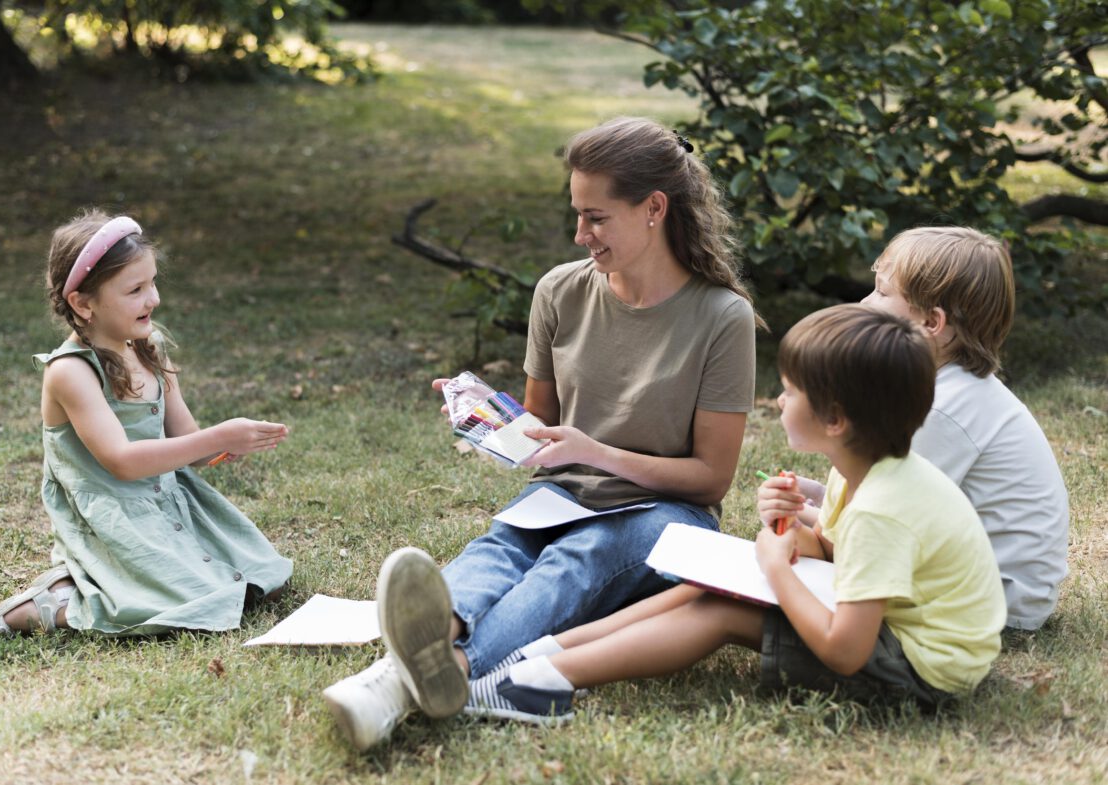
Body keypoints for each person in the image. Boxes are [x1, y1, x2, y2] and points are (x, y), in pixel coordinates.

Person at [323, 116, 761, 750]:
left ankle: (431, 676)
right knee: (496, 552)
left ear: (654, 209)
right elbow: (541, 436)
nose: (580, 234)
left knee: (575, 559)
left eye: (596, 218)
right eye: (577, 215)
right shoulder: (559, 291)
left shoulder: (722, 316)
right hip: (560, 498)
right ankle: (408, 667)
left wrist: (597, 453)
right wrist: (489, 418)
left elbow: (710, 480)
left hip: (665, 517)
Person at [420, 304, 1007, 723]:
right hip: (897, 627)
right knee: (709, 582)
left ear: (835, 420)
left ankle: (535, 684)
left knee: (722, 611)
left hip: (922, 671)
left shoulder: (883, 508)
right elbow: (839, 553)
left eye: (790, 391)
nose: (779, 400)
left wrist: (776, 567)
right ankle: (537, 656)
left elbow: (845, 650)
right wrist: (800, 533)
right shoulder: (864, 470)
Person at [0, 209, 293, 636]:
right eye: (136, 289)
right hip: (115, 515)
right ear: (83, 304)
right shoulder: (71, 371)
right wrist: (217, 435)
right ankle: (51, 604)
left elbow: (188, 443)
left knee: (263, 580)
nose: (154, 299)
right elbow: (123, 462)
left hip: (169, 500)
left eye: (153, 283)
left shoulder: (149, 345)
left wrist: (224, 447)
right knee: (199, 605)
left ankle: (100, 582)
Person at [765, 227, 1069, 631]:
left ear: (930, 322)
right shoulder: (943, 389)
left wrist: (802, 517)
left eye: (881, 292)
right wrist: (819, 500)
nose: (864, 302)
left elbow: (879, 527)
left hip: (995, 601)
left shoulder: (940, 412)